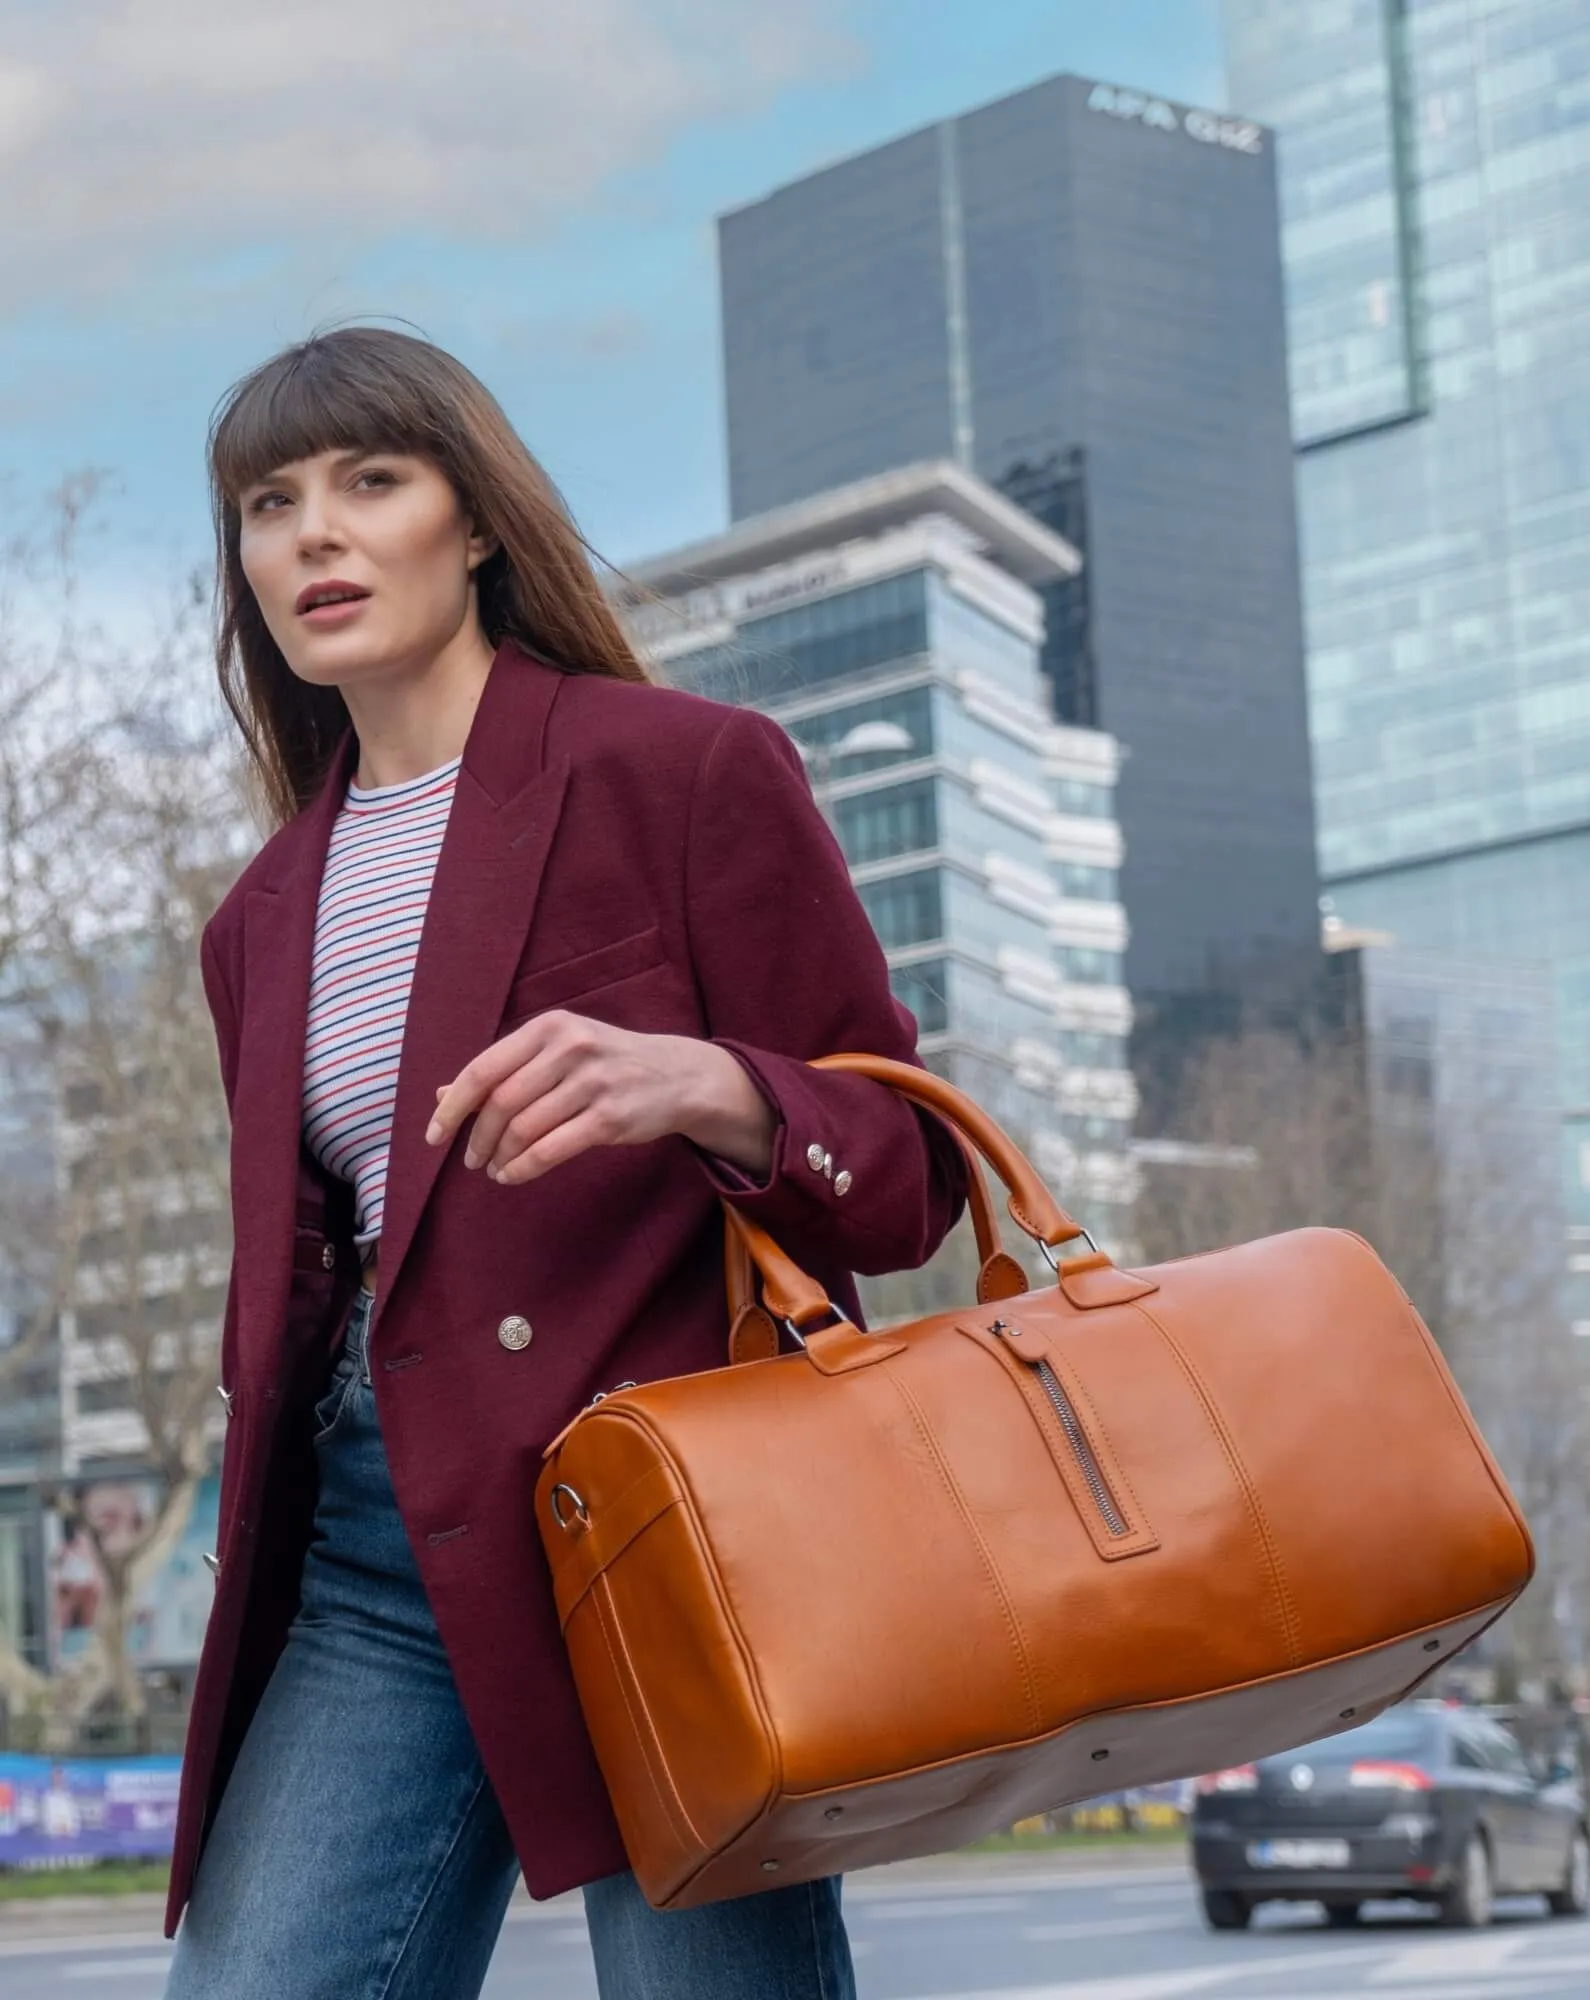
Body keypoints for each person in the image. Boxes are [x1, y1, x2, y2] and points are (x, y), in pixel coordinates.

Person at [163, 326, 966, 2000]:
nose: (315, 532)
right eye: (269, 502)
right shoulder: (257, 922)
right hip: (384, 1543)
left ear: (472, 525)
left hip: (678, 1522)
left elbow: (905, 1179)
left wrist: (710, 1086)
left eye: (370, 481)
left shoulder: (676, 773)